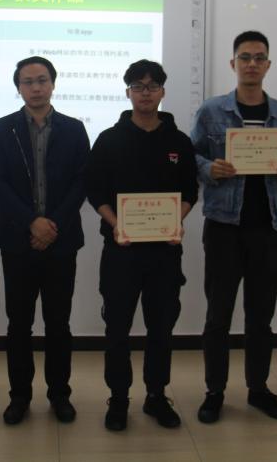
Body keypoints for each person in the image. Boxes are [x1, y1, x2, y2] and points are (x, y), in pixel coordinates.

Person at [190, 30, 277, 423]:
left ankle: (258, 389)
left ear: (268, 64)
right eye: (245, 57)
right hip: (224, 226)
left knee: (260, 317)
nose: (252, 64)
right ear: (233, 63)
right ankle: (214, 391)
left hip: (267, 227)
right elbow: (191, 156)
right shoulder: (211, 111)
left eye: (259, 58)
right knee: (218, 316)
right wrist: (209, 168)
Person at [84, 59, 199, 432]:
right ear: (128, 92)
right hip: (121, 251)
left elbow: (190, 191)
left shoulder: (179, 142)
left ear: (162, 91)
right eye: (138, 86)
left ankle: (156, 395)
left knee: (161, 329)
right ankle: (118, 398)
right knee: (117, 329)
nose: (145, 93)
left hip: (165, 253)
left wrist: (176, 220)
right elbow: (95, 191)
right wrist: (117, 223)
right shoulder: (109, 139)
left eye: (152, 86)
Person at [0, 56, 90, 425]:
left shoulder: (74, 129)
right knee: (19, 324)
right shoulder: (3, 129)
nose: (35, 87)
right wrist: (32, 222)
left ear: (53, 84)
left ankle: (60, 395)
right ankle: (19, 396)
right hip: (17, 242)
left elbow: (82, 181)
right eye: (28, 81)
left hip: (61, 241)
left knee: (59, 323)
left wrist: (52, 225)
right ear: (18, 87)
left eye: (42, 80)